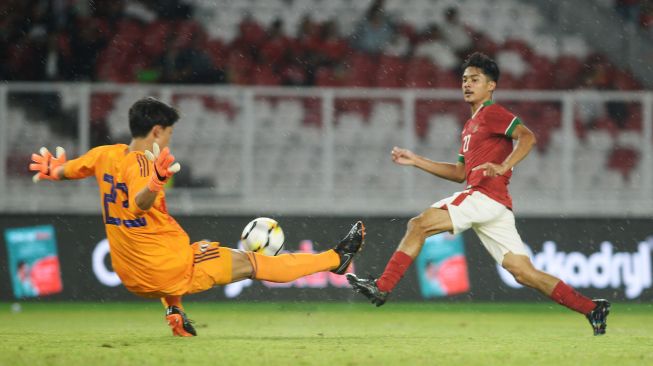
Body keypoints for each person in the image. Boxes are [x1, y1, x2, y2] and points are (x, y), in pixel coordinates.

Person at [29, 97, 365, 337]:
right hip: (168, 269)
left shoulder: (104, 154)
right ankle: (335, 259)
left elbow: (68, 171)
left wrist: (53, 169)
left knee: (172, 246)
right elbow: (139, 204)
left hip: (130, 274)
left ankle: (173, 310)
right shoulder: (145, 165)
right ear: (157, 131)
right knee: (251, 263)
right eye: (170, 133)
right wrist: (155, 182)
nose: (170, 139)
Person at [346, 52, 610, 336]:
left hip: (485, 195)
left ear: (491, 86)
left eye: (475, 79)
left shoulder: (493, 114)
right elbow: (460, 173)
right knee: (524, 273)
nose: (467, 85)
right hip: (496, 205)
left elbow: (528, 136)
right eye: (464, 80)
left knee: (418, 225)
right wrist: (417, 161)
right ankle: (591, 308)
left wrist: (504, 165)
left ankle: (383, 286)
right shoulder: (470, 125)